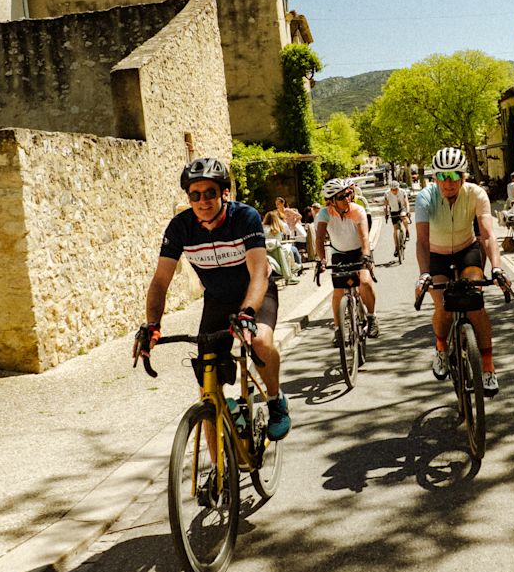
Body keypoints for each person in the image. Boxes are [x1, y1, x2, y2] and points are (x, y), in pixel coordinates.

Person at [133, 156, 291, 440]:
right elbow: (160, 280)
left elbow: (258, 272)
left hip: (255, 293)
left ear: (224, 193)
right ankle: (216, 474)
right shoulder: (179, 228)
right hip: (217, 301)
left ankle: (275, 399)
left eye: (210, 193)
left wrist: (248, 314)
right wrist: (152, 324)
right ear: (188, 198)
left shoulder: (245, 217)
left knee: (260, 341)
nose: (202, 201)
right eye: (195, 195)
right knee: (207, 384)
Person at [413, 146, 511, 396]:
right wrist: (424, 274)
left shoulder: (476, 194)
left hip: (467, 250)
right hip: (436, 254)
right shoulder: (425, 197)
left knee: (475, 305)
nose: (448, 183)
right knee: (443, 307)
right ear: (434, 178)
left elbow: (487, 235)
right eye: (442, 177)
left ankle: (488, 367)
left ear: (463, 177)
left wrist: (498, 268)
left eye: (454, 176)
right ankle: (441, 348)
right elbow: (422, 241)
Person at [314, 177, 379, 340]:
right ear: (331, 201)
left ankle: (372, 318)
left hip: (359, 251)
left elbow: (364, 237)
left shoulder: (357, 210)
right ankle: (338, 329)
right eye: (341, 197)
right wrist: (321, 260)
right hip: (339, 253)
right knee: (338, 291)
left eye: (348, 194)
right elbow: (319, 238)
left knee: (364, 282)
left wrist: (366, 257)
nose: (347, 199)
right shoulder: (324, 213)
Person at [262, 210, 301, 283]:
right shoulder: (277, 229)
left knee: (288, 251)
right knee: (289, 251)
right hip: (277, 253)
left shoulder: (262, 229)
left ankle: (293, 268)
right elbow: (279, 241)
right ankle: (292, 270)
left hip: (266, 254)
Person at [383, 180, 411, 257]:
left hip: (402, 208)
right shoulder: (387, 194)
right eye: (392, 190)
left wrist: (408, 211)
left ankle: (407, 231)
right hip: (394, 210)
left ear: (398, 188)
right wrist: (386, 214)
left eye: (396, 189)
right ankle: (396, 247)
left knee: (403, 216)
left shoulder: (403, 192)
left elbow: (406, 202)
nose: (394, 191)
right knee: (395, 230)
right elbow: (386, 205)